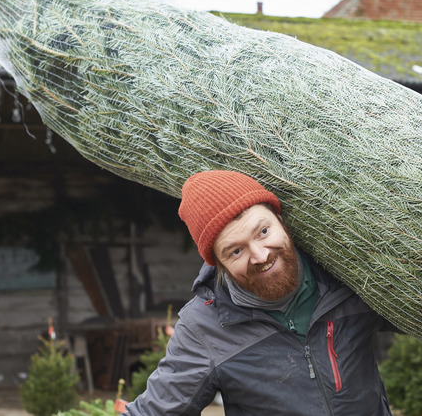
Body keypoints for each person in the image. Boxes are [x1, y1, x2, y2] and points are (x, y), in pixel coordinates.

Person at [123, 170, 396, 415]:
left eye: (263, 231)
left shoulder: (346, 278)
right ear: (218, 263)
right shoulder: (205, 329)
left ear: (280, 219)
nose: (261, 255)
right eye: (236, 251)